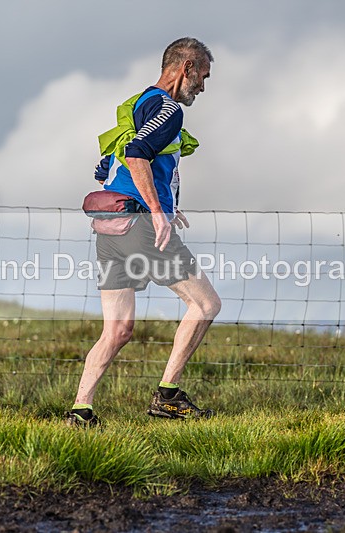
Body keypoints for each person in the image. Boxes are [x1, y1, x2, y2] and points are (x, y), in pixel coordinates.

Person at [67, 37, 221, 427]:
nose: (202, 86)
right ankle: (167, 396)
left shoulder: (139, 103)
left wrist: (168, 204)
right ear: (185, 68)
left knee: (117, 330)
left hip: (110, 226)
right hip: (138, 224)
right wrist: (157, 212)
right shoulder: (168, 109)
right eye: (202, 76)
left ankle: (81, 410)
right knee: (205, 305)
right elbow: (137, 154)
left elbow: (117, 162)